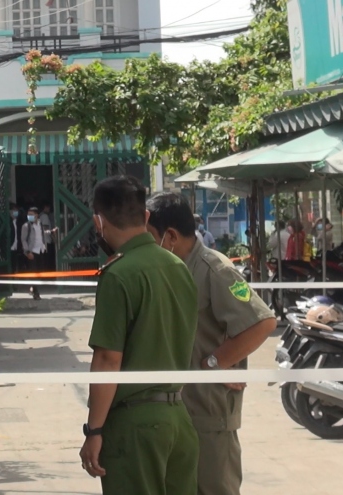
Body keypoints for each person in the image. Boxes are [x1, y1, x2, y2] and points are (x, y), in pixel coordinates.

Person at [146, 192, 276, 495]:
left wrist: (216, 363)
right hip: (177, 407)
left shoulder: (214, 269)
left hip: (208, 411)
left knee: (213, 486)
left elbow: (262, 322)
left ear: (171, 236)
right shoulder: (169, 268)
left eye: (150, 236)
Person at [79, 175, 199, 495]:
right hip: (178, 418)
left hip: (135, 425)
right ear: (145, 216)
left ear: (98, 222)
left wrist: (94, 430)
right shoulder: (178, 267)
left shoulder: (119, 274)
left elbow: (108, 359)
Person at [21, 206, 57, 300]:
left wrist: (51, 232)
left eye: (31, 214)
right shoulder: (26, 226)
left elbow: (42, 233)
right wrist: (27, 252)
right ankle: (35, 292)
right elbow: (23, 240)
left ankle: (32, 287)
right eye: (28, 214)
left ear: (36, 215)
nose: (29, 216)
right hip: (32, 252)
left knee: (39, 272)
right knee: (33, 272)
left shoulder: (40, 224)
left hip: (40, 250)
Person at [40, 204, 57, 271]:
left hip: (44, 241)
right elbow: (46, 229)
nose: (49, 210)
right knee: (47, 260)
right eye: (48, 208)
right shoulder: (44, 216)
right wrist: (53, 237)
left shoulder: (40, 215)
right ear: (45, 207)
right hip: (46, 241)